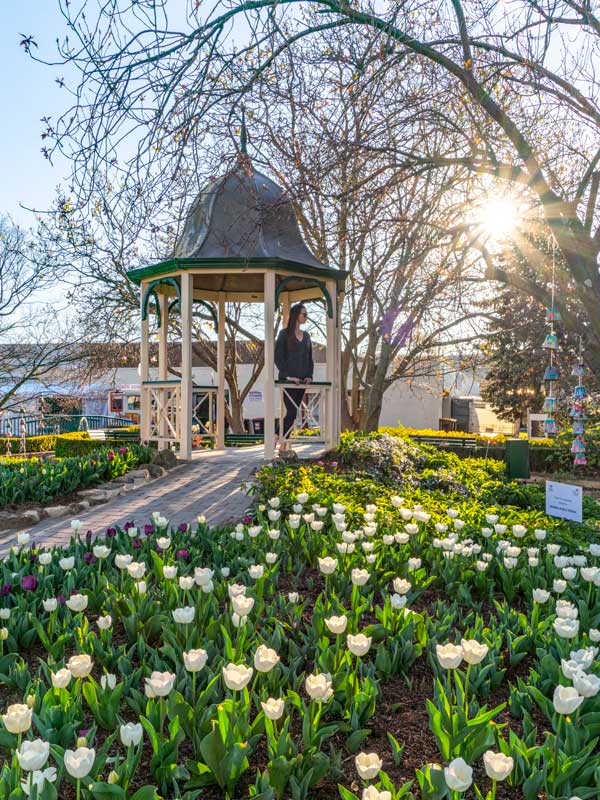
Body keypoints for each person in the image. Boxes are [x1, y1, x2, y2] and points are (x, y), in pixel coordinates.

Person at [274, 303, 313, 452]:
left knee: (293, 412)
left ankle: (281, 443)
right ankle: (278, 440)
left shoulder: (307, 336)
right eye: (304, 314)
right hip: (288, 381)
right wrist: (288, 376)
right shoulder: (284, 334)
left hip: (302, 382)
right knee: (291, 411)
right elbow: (278, 357)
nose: (306, 317)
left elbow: (310, 359)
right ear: (296, 315)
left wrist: (309, 375)